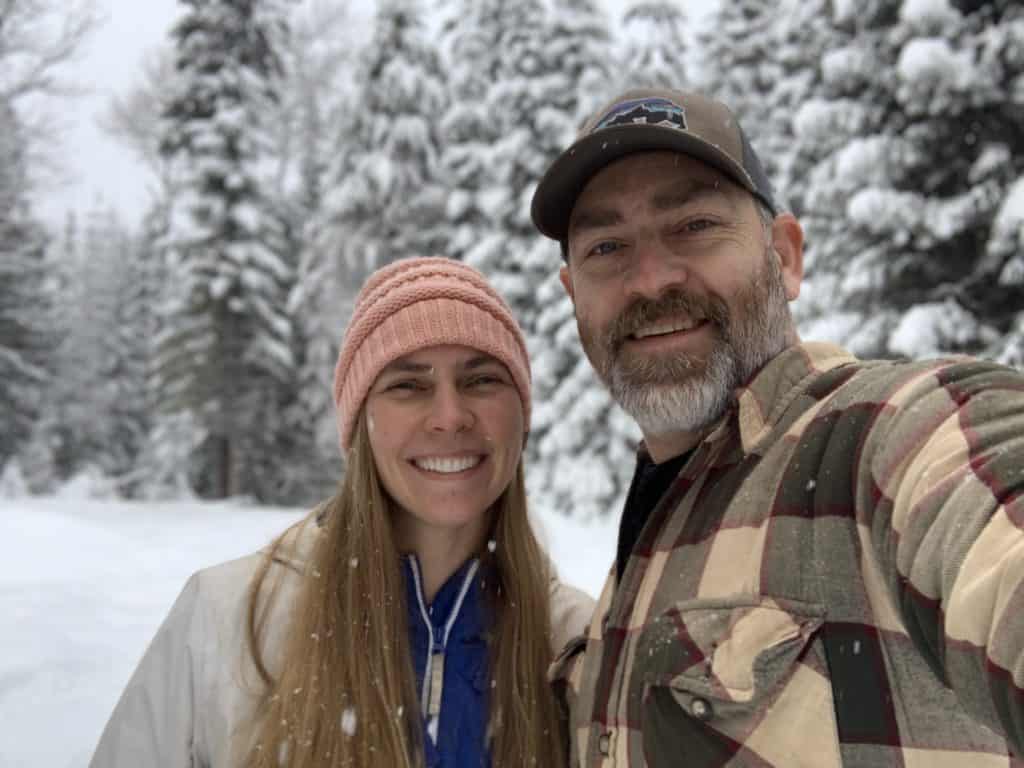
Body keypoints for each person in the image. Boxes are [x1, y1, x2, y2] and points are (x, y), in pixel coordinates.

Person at [530, 87, 1024, 766]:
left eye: (694, 225)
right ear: (572, 294)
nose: (648, 280)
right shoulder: (640, 552)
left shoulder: (885, 440)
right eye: (607, 246)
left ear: (785, 257)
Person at [89, 256, 594, 768]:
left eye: (481, 379)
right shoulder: (230, 622)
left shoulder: (580, 644)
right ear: (360, 424)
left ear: (522, 417)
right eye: (408, 385)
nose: (450, 416)